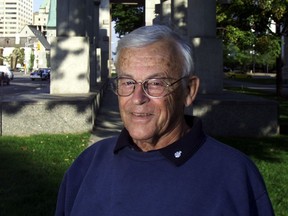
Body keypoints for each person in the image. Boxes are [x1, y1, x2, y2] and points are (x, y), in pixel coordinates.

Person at [55, 25, 274, 216]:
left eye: (156, 83)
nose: (138, 98)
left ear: (188, 91)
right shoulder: (88, 164)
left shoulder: (235, 175)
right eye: (128, 82)